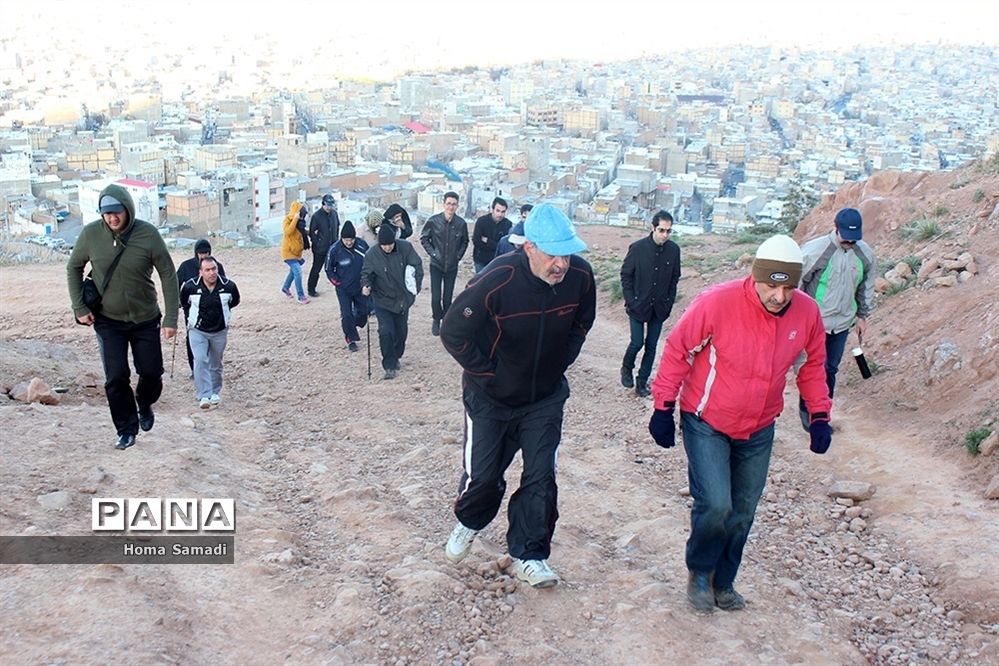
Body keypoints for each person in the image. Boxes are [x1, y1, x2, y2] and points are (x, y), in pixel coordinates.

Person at [647, 234, 832, 612]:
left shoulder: (807, 313)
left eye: (788, 288)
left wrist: (819, 416)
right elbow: (679, 350)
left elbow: (813, 366)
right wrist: (663, 407)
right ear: (755, 276)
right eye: (771, 285)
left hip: (759, 427)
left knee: (743, 510)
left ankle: (723, 581)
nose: (779, 297)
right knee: (716, 503)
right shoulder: (718, 302)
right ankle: (699, 572)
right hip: (707, 420)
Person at [440, 203, 596, 589]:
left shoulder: (580, 276)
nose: (561, 263)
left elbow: (582, 323)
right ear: (529, 247)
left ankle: (529, 555)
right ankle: (470, 522)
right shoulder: (498, 278)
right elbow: (452, 332)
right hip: (490, 399)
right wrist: (490, 374)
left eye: (567, 253)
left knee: (541, 477)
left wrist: (559, 362)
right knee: (484, 477)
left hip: (543, 398)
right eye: (552, 254)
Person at [66, 184, 179, 450]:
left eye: (117, 212)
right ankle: (126, 429)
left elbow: (168, 273)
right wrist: (79, 307)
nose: (112, 218)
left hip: (145, 318)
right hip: (108, 320)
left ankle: (144, 402)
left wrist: (171, 318)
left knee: (151, 373)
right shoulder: (91, 235)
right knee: (116, 377)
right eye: (107, 213)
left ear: (127, 209)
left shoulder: (148, 234)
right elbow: (73, 266)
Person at [797, 207, 876, 428]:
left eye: (854, 240)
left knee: (830, 369)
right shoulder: (815, 250)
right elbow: (796, 283)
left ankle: (822, 414)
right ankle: (808, 412)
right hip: (815, 323)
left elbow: (865, 286)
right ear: (836, 229)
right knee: (814, 369)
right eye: (846, 239)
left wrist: (862, 315)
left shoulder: (864, 254)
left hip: (841, 324)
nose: (850, 243)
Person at [619, 211, 681, 398]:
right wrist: (631, 300)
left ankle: (642, 382)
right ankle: (626, 367)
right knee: (637, 341)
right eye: (661, 230)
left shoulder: (673, 250)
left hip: (659, 308)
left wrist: (669, 302)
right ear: (653, 228)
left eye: (668, 231)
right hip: (638, 305)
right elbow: (626, 275)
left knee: (651, 346)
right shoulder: (637, 248)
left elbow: (674, 278)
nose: (665, 235)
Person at [361, 223, 424, 379]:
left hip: (402, 299)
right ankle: (389, 365)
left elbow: (417, 268)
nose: (387, 247)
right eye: (384, 245)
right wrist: (366, 285)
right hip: (382, 300)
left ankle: (396, 355)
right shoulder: (372, 254)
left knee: (401, 333)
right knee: (385, 331)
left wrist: (415, 288)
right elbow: (365, 274)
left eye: (390, 244)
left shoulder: (406, 248)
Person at [179, 256, 240, 409]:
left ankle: (215, 392)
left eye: (214, 269)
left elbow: (234, 301)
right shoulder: (190, 287)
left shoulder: (229, 286)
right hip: (197, 330)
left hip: (219, 331)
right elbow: (185, 301)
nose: (211, 273)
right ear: (201, 272)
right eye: (207, 270)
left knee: (216, 362)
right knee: (200, 359)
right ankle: (204, 395)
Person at [420, 191, 468, 336]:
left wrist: (457, 256)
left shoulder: (461, 223)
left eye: (454, 204)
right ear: (443, 204)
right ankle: (436, 318)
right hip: (436, 265)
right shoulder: (434, 221)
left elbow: (465, 241)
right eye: (448, 203)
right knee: (436, 297)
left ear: (457, 205)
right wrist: (434, 253)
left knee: (448, 298)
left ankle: (446, 322)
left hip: (452, 266)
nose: (451, 207)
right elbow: (424, 238)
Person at [177, 239, 226, 376]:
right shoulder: (186, 266)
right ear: (196, 253)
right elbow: (176, 283)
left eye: (206, 253)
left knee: (213, 339)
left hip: (213, 310)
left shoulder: (217, 267)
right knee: (192, 339)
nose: (203, 256)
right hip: (192, 309)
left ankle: (210, 367)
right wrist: (178, 301)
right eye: (201, 253)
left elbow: (224, 285)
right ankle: (195, 369)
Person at [325, 221, 370, 352]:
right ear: (341, 238)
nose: (349, 242)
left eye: (351, 239)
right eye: (346, 240)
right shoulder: (334, 249)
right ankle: (351, 338)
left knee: (363, 313)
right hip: (343, 289)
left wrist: (368, 282)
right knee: (346, 314)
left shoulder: (362, 245)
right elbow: (328, 269)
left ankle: (353, 324)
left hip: (361, 287)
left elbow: (370, 262)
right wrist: (337, 282)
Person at [307, 194, 340, 298]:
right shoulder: (316, 216)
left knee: (338, 267)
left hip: (333, 247)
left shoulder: (334, 214)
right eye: (328, 205)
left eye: (331, 205)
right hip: (320, 249)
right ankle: (311, 289)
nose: (330, 207)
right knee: (316, 269)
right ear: (323, 204)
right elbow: (312, 233)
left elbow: (337, 227)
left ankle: (340, 286)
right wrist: (318, 243)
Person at [471, 197, 512, 273]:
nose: (500, 214)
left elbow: (504, 246)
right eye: (498, 211)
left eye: (503, 212)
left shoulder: (507, 224)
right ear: (492, 210)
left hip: (497, 262)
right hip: (481, 261)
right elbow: (476, 241)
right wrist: (495, 246)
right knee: (481, 283)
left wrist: (488, 241)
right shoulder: (482, 221)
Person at [281, 201, 310, 304]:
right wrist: (295, 219)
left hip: (297, 253)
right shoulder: (288, 220)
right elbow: (288, 231)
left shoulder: (300, 224)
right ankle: (301, 296)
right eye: (301, 215)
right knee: (298, 272)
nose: (302, 218)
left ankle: (285, 287)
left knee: (293, 272)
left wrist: (311, 232)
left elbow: (302, 233)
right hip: (288, 252)